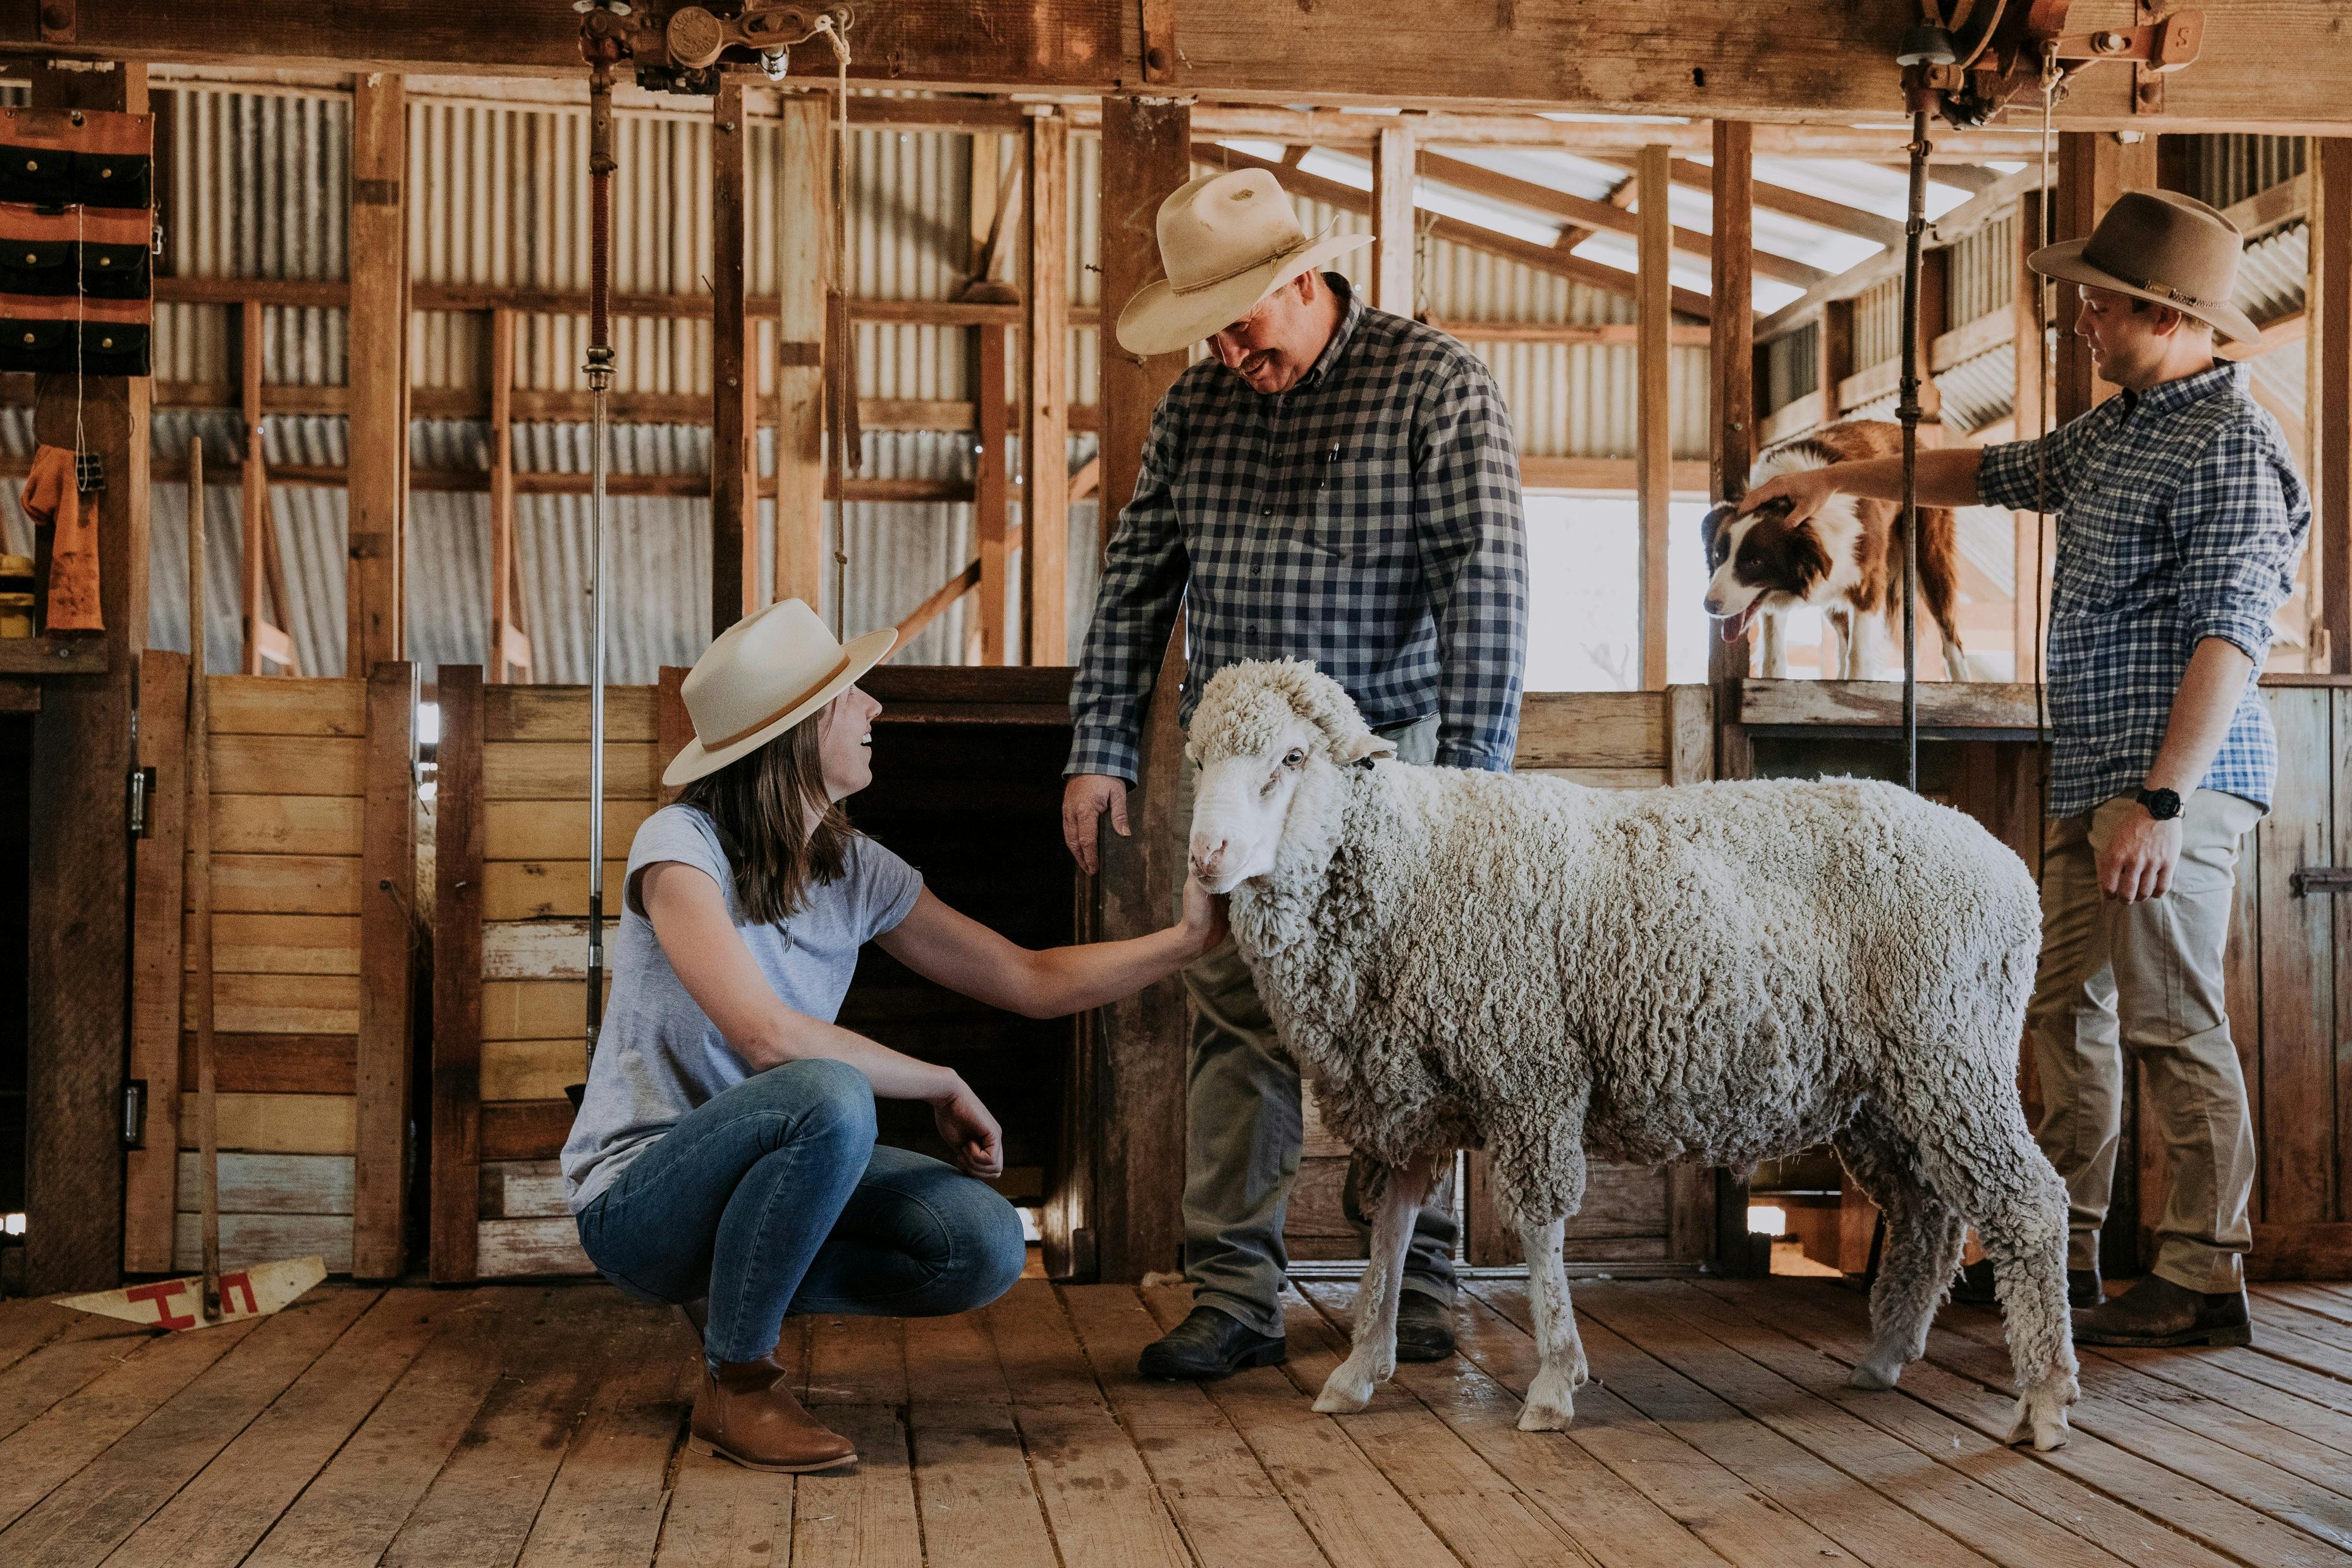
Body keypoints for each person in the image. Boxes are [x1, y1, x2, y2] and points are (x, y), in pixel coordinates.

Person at [1741, 190, 2308, 1348]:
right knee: (2066, 1017)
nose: (2084, 319)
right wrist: (1842, 479)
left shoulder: (2232, 444)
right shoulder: (2122, 427)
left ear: (2169, 312)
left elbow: (2232, 635)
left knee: (2170, 1018)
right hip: (2091, 770)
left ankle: (2204, 1273)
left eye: (2103, 302)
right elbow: (1988, 474)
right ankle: (2060, 1248)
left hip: (2167, 783)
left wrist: (2161, 800)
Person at [563, 599, 1228, 1472]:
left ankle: (735, 1299)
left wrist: (1186, 942)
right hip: (641, 1200)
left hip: (762, 1174)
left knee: (982, 1243)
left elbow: (1025, 980)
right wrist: (941, 1079)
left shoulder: (855, 867)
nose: (874, 709)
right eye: (852, 696)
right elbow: (765, 1037)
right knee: (828, 1093)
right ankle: (740, 1382)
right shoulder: (680, 847)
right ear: (799, 730)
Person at [1065, 166, 1529, 1380]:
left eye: (1243, 319)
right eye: (1207, 327)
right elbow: (1136, 584)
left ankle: (1420, 1279)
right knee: (1234, 1014)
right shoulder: (1195, 409)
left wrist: (1474, 784)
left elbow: (1483, 589)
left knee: (1419, 1023)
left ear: (1304, 278)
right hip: (1238, 771)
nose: (1226, 347)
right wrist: (1102, 748)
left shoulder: (1435, 384)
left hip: (1391, 769)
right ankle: (1234, 1293)